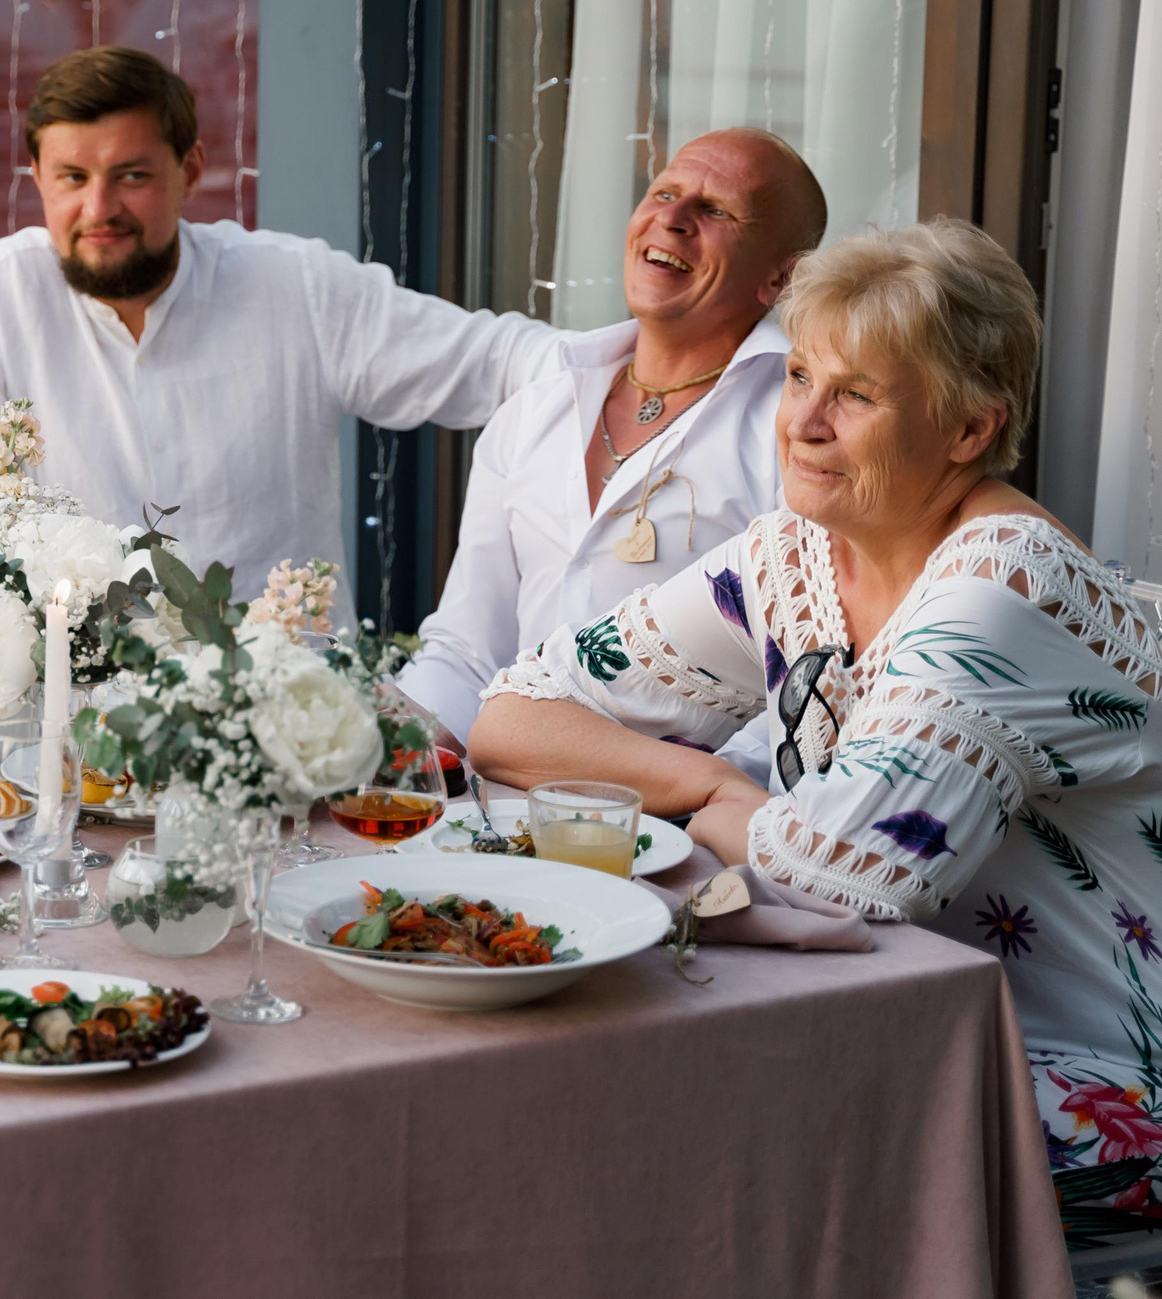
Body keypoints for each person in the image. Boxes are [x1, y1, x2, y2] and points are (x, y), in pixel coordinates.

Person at [469, 220, 1162, 1239]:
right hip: (898, 1023)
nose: (803, 422)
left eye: (857, 395)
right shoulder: (795, 556)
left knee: (667, 1139)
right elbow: (512, 718)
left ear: (969, 430)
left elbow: (845, 879)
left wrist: (712, 800)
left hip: (1087, 1083)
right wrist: (710, 787)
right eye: (799, 375)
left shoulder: (1003, 584)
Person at [0, 45, 562, 620]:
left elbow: (502, 362)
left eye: (131, 175)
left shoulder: (296, 288)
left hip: (286, 707)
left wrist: (627, 379)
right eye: (72, 177)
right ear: (38, 179)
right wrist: (50, 563)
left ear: (191, 170)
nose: (99, 207)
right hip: (74, 710)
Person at [394, 129, 826, 740]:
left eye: (714, 210)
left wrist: (705, 793)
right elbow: (467, 650)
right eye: (663, 193)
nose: (671, 218)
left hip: (686, 799)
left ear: (780, 278)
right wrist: (392, 746)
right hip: (502, 792)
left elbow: (801, 679)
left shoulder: (797, 430)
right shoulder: (536, 410)